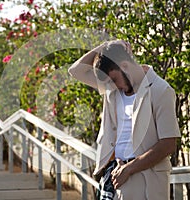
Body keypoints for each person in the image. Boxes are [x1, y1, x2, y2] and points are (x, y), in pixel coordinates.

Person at [68, 40, 181, 200]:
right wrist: (106, 46)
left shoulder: (161, 90)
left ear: (125, 66)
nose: (112, 85)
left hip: (145, 180)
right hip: (114, 176)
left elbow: (168, 144)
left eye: (114, 79)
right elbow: (75, 70)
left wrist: (128, 169)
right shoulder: (112, 88)